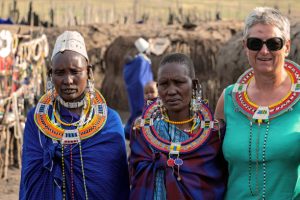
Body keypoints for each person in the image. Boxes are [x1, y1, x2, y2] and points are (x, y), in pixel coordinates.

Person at [19, 31, 130, 200]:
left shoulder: (109, 121)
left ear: (89, 72)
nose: (68, 80)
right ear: (50, 75)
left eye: (75, 71)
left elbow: (114, 185)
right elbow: (30, 179)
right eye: (60, 72)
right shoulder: (36, 120)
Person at [215, 7, 300, 200]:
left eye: (273, 43)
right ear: (245, 46)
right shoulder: (228, 99)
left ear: (286, 47)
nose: (264, 51)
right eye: (255, 43)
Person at [130, 52, 227, 199]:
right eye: (164, 84)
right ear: (158, 87)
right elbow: (135, 177)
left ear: (194, 85)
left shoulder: (214, 135)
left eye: (179, 82)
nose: (171, 91)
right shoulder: (141, 132)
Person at [123, 37, 154, 140]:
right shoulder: (141, 60)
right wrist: (144, 89)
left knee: (139, 112)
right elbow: (141, 77)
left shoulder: (141, 59)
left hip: (140, 89)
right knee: (140, 111)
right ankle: (134, 132)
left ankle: (132, 131)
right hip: (141, 90)